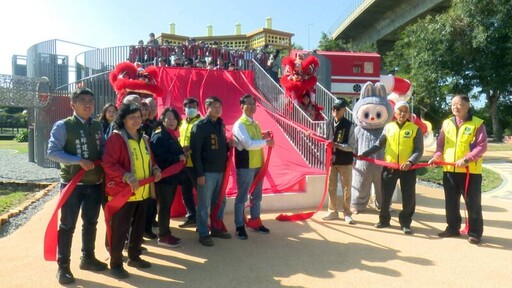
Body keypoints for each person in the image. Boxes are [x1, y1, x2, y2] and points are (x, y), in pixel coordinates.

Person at [47, 88, 107, 285]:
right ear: (72, 104)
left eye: (91, 100)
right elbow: (52, 152)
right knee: (67, 226)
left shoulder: (98, 125)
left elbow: (104, 149)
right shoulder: (63, 126)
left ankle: (87, 258)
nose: (88, 104)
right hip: (73, 184)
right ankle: (63, 267)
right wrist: (78, 160)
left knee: (91, 223)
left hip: (95, 183)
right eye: (82, 100)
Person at [102, 103, 162, 279]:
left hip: (142, 192)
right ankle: (115, 263)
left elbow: (150, 158)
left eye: (138, 116)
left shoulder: (143, 138)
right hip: (124, 193)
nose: (136, 120)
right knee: (120, 229)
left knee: (138, 227)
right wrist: (126, 175)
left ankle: (134, 257)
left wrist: (156, 169)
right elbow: (108, 163)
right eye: (132, 117)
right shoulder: (117, 138)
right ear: (123, 119)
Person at [428, 94, 487, 244]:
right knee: (451, 202)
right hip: (450, 170)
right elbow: (440, 145)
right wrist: (437, 156)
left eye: (459, 104)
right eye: (453, 104)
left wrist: (467, 159)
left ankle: (474, 233)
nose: (455, 107)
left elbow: (482, 146)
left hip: (470, 172)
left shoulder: (477, 124)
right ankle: (452, 228)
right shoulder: (446, 123)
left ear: (467, 105)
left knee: (472, 203)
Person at [359, 101, 423, 234]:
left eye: (405, 111)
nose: (403, 113)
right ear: (394, 113)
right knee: (385, 195)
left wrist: (410, 162)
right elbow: (378, 145)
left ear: (409, 114)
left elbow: (418, 150)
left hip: (408, 169)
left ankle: (405, 223)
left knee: (409, 197)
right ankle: (384, 220)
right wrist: (365, 153)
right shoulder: (388, 128)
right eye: (400, 111)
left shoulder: (415, 129)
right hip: (390, 168)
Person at [190, 96, 232, 246]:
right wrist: (199, 174)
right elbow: (196, 152)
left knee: (220, 200)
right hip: (207, 172)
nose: (217, 109)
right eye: (214, 106)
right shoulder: (200, 126)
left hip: (220, 170)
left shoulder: (220, 124)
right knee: (204, 203)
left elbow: (219, 147)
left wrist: (229, 146)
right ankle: (203, 232)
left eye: (219, 106)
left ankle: (216, 227)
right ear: (206, 108)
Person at [232, 94, 275, 240]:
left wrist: (263, 137)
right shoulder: (239, 124)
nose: (251, 107)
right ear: (241, 106)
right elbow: (248, 144)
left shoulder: (255, 124)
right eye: (248, 104)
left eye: (253, 104)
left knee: (257, 196)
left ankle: (255, 221)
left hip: (257, 164)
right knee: (242, 196)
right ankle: (239, 226)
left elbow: (255, 141)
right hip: (245, 165)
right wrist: (266, 143)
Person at [150, 107, 186, 247]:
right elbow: (160, 158)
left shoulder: (170, 134)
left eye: (174, 119)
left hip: (171, 178)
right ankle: (163, 236)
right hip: (164, 178)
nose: (172, 121)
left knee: (166, 207)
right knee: (164, 207)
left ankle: (166, 232)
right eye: (168, 119)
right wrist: (178, 157)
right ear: (162, 120)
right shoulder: (160, 135)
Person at [322, 98, 356, 224]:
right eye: (334, 108)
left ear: (344, 110)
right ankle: (332, 211)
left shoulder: (349, 125)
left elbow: (352, 146)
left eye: (338, 108)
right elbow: (323, 138)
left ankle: (347, 213)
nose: (335, 111)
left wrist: (337, 145)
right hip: (332, 160)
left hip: (345, 161)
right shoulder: (328, 122)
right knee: (331, 186)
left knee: (346, 187)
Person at [178, 97, 202, 228]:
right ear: (184, 109)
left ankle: (202, 220)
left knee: (200, 193)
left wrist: (190, 149)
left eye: (194, 107)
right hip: (183, 164)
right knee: (186, 192)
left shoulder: (202, 122)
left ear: (198, 108)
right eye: (188, 107)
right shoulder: (182, 123)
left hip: (196, 164)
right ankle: (191, 216)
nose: (191, 109)